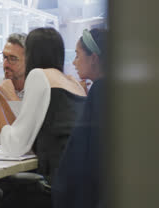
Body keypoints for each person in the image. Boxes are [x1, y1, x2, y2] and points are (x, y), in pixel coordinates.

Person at [0, 27, 87, 207]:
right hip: (79, 185)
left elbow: (15, 146)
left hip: (56, 186)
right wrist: (1, 100)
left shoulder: (38, 76)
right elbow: (29, 136)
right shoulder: (73, 83)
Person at [52, 28, 106, 208]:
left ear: (94, 58)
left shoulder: (100, 91)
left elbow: (84, 154)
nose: (74, 62)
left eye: (77, 55)